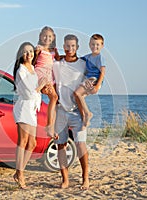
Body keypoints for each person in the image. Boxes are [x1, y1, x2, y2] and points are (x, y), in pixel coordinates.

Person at [51, 34, 90, 190]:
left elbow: (95, 79)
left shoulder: (83, 64)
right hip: (60, 110)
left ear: (77, 47)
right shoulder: (57, 64)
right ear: (63, 46)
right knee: (61, 145)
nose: (70, 49)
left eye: (73, 46)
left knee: (81, 145)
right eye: (67, 46)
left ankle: (85, 178)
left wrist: (86, 93)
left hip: (77, 112)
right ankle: (65, 179)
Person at [12, 42, 47, 189]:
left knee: (32, 144)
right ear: (21, 55)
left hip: (32, 110)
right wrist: (40, 86)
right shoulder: (21, 70)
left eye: (30, 52)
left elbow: (41, 53)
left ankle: (19, 172)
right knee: (23, 142)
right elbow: (28, 91)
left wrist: (40, 50)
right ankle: (20, 174)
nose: (29, 54)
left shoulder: (32, 68)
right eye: (25, 52)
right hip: (24, 108)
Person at [74, 34, 106, 130]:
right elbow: (76, 59)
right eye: (92, 44)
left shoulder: (100, 58)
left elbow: (103, 72)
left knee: (77, 93)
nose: (94, 47)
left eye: (97, 45)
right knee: (78, 98)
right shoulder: (87, 57)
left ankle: (88, 113)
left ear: (102, 46)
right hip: (88, 79)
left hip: (94, 79)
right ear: (89, 45)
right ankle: (84, 119)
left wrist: (97, 86)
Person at [33, 26, 60, 139]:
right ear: (40, 36)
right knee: (53, 97)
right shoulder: (39, 48)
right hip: (41, 74)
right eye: (44, 36)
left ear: (53, 37)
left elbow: (58, 59)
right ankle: (49, 126)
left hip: (49, 75)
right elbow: (32, 62)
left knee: (55, 99)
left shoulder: (54, 50)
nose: (47, 38)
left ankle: (51, 126)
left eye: (49, 36)